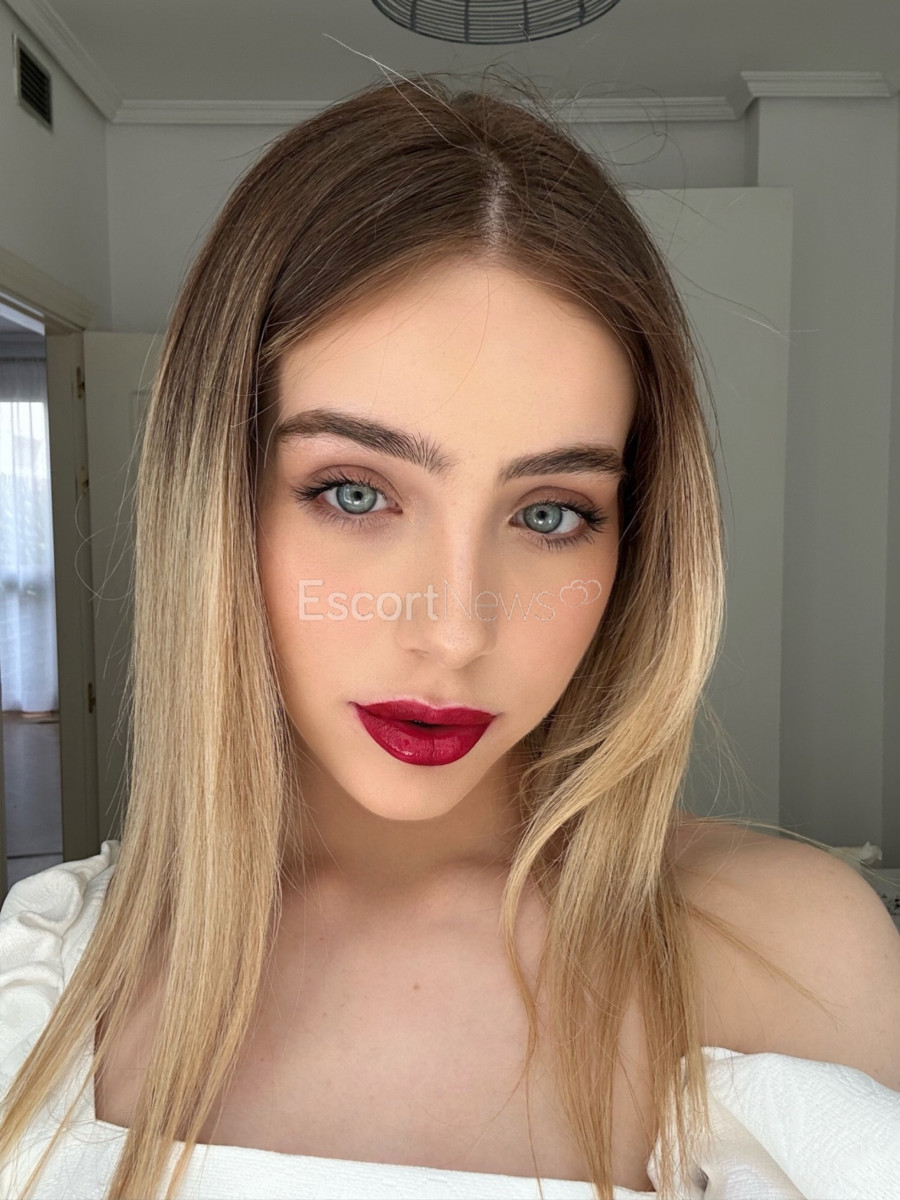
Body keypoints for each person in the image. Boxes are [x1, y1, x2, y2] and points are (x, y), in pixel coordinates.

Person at [1, 70, 899, 1200]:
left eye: (550, 513)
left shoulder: (790, 955)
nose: (455, 632)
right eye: (354, 493)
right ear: (216, 499)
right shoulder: (43, 975)